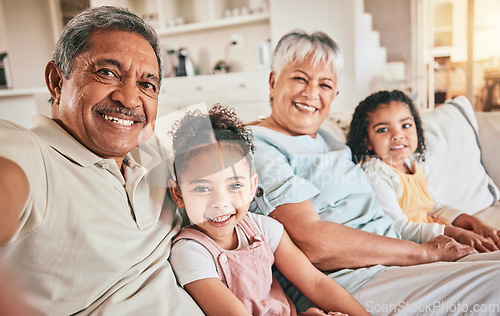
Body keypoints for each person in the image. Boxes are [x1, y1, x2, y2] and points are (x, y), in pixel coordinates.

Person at [248, 29, 500, 314]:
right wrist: (424, 253)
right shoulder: (258, 145)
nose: (311, 93)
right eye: (299, 78)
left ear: (335, 95)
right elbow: (313, 242)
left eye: (325, 85)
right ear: (272, 82)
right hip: (351, 282)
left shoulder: (327, 139)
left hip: (397, 261)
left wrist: (439, 237)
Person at [0, 6, 202, 315]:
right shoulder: (29, 154)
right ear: (57, 81)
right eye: (107, 73)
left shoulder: (151, 149)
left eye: (147, 84)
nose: (130, 99)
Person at [168, 105, 369, 316]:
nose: (220, 203)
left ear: (252, 187)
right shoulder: (190, 252)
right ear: (179, 195)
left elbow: (315, 282)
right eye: (202, 188)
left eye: (235, 186)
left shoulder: (263, 228)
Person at [346, 90, 500, 252]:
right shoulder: (375, 172)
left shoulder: (412, 163)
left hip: (434, 234)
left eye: (405, 125)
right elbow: (399, 228)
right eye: (383, 130)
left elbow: (434, 206)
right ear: (367, 141)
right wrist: (457, 234)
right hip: (416, 248)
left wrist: (474, 222)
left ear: (417, 128)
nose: (397, 135)